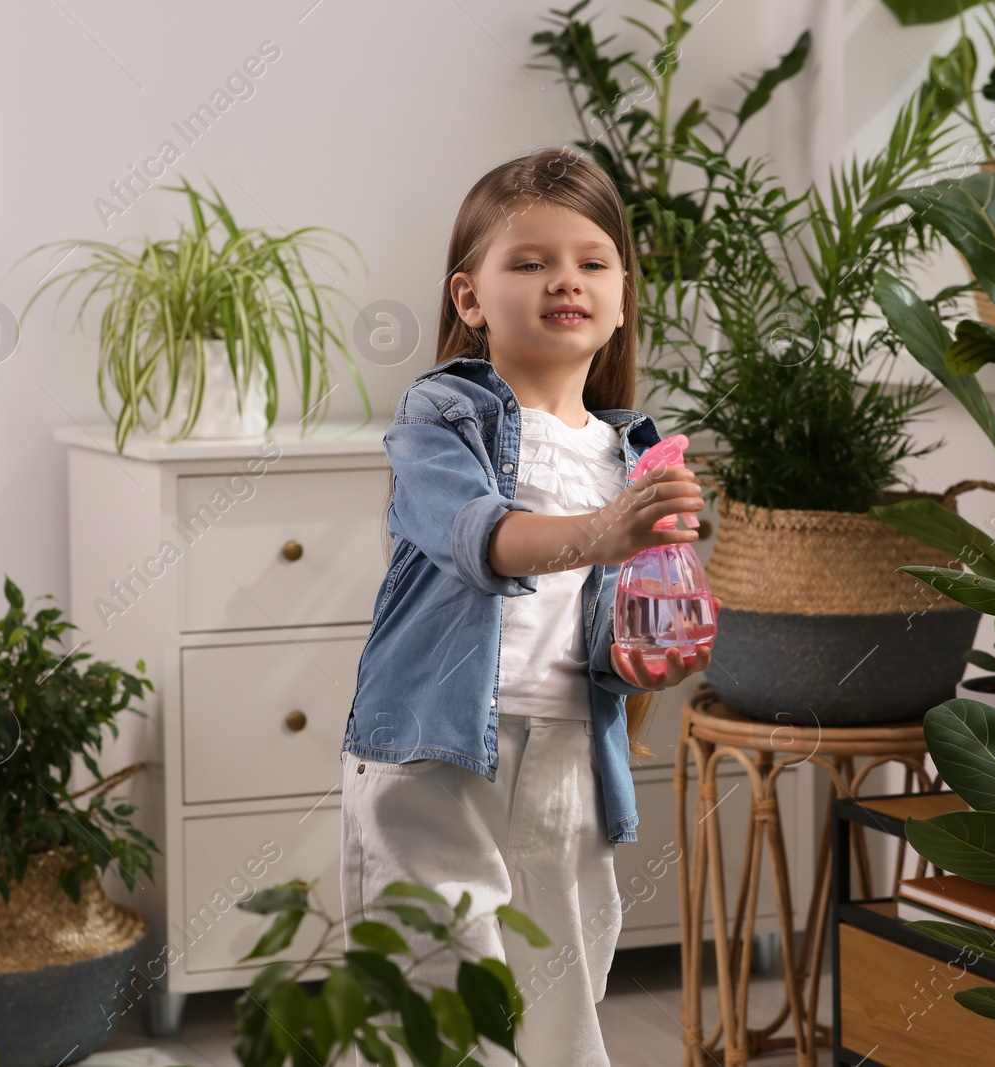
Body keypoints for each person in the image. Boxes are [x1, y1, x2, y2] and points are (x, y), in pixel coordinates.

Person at [338, 146, 722, 1066]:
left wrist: (665, 626)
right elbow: (479, 537)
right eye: (530, 262)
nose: (566, 280)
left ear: (624, 294)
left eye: (592, 262)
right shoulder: (443, 416)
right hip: (431, 749)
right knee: (437, 989)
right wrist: (607, 532)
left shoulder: (638, 453)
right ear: (470, 298)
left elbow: (632, 625)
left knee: (564, 994)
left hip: (569, 757)